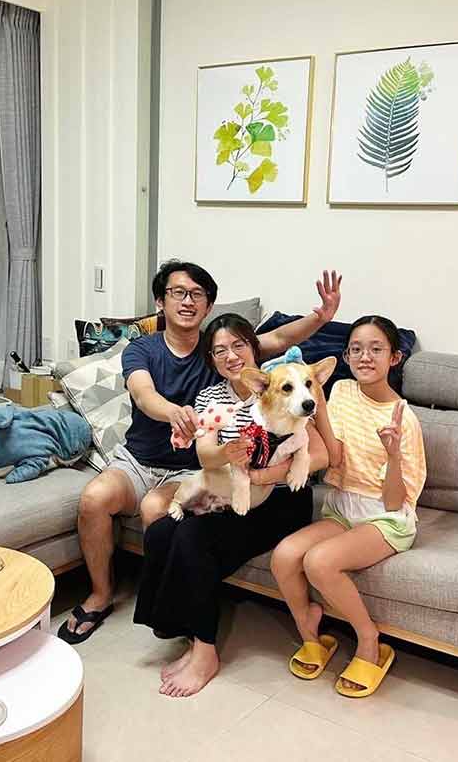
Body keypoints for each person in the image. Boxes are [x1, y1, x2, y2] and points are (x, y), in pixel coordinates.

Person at [57, 261, 342, 644]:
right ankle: (100, 595)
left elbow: (276, 339)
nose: (188, 301)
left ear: (208, 306)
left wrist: (320, 317)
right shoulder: (145, 349)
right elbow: (142, 393)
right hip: (140, 461)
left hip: (191, 469)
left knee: (158, 513)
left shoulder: (221, 349)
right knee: (93, 499)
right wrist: (174, 413)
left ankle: (169, 606)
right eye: (178, 292)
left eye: (197, 294)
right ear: (160, 301)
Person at [133, 314, 330, 697]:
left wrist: (266, 475)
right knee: (160, 532)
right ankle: (184, 633)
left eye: (239, 345)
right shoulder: (211, 398)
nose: (231, 356)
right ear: (212, 359)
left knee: (193, 535)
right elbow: (206, 457)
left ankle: (205, 652)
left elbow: (320, 454)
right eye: (220, 350)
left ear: (254, 349)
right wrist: (230, 451)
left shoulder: (285, 383)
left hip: (282, 499)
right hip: (229, 492)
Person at [270, 315, 426, 697]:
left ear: (395, 357)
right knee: (284, 555)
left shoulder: (404, 418)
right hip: (342, 508)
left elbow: (396, 501)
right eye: (356, 349)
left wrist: (393, 454)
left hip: (387, 518)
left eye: (376, 349)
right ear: (346, 356)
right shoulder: (340, 390)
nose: (364, 357)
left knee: (319, 562)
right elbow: (335, 456)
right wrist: (319, 402)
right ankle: (310, 632)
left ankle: (370, 641)